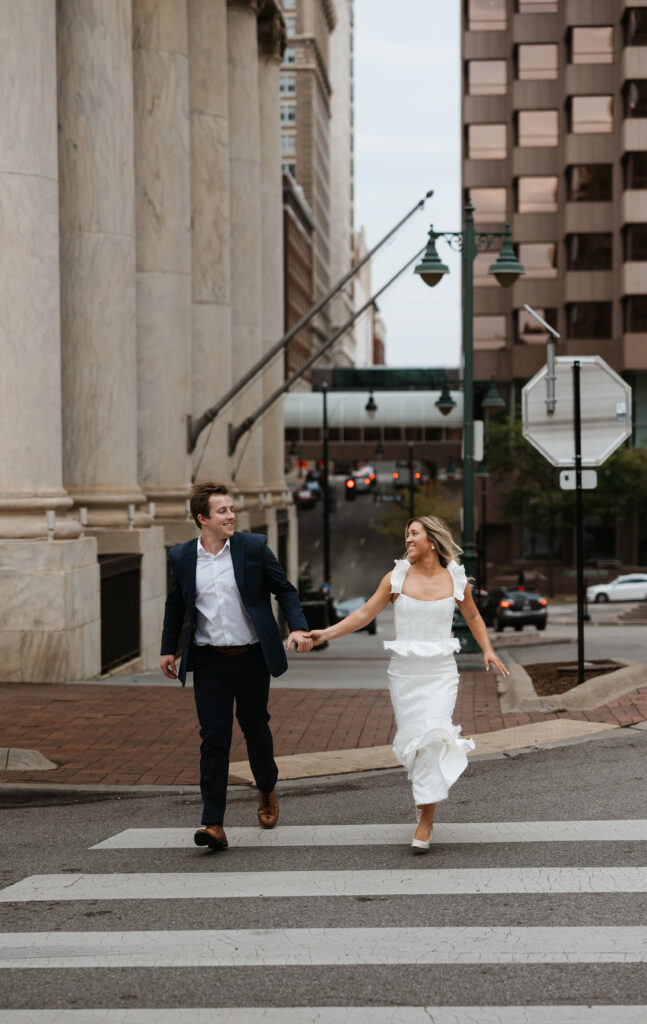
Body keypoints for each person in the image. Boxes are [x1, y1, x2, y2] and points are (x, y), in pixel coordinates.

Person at [307, 515, 508, 852]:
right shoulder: (396, 577)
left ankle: (425, 821)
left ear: (432, 540)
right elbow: (363, 615)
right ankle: (425, 799)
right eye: (407, 534)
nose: (408, 539)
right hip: (405, 676)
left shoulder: (455, 579)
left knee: (433, 737)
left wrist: (487, 649)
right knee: (416, 745)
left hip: (441, 673)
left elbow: (473, 616)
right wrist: (323, 634)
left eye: (414, 534)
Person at [160, 481, 312, 852]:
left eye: (231, 509)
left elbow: (285, 590)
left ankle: (266, 787)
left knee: (255, 729)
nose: (232, 516)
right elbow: (175, 605)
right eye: (223, 511)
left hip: (250, 656)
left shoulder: (252, 548)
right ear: (203, 519)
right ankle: (213, 823)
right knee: (214, 739)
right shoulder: (182, 556)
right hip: (209, 659)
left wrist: (299, 627)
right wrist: (168, 649)